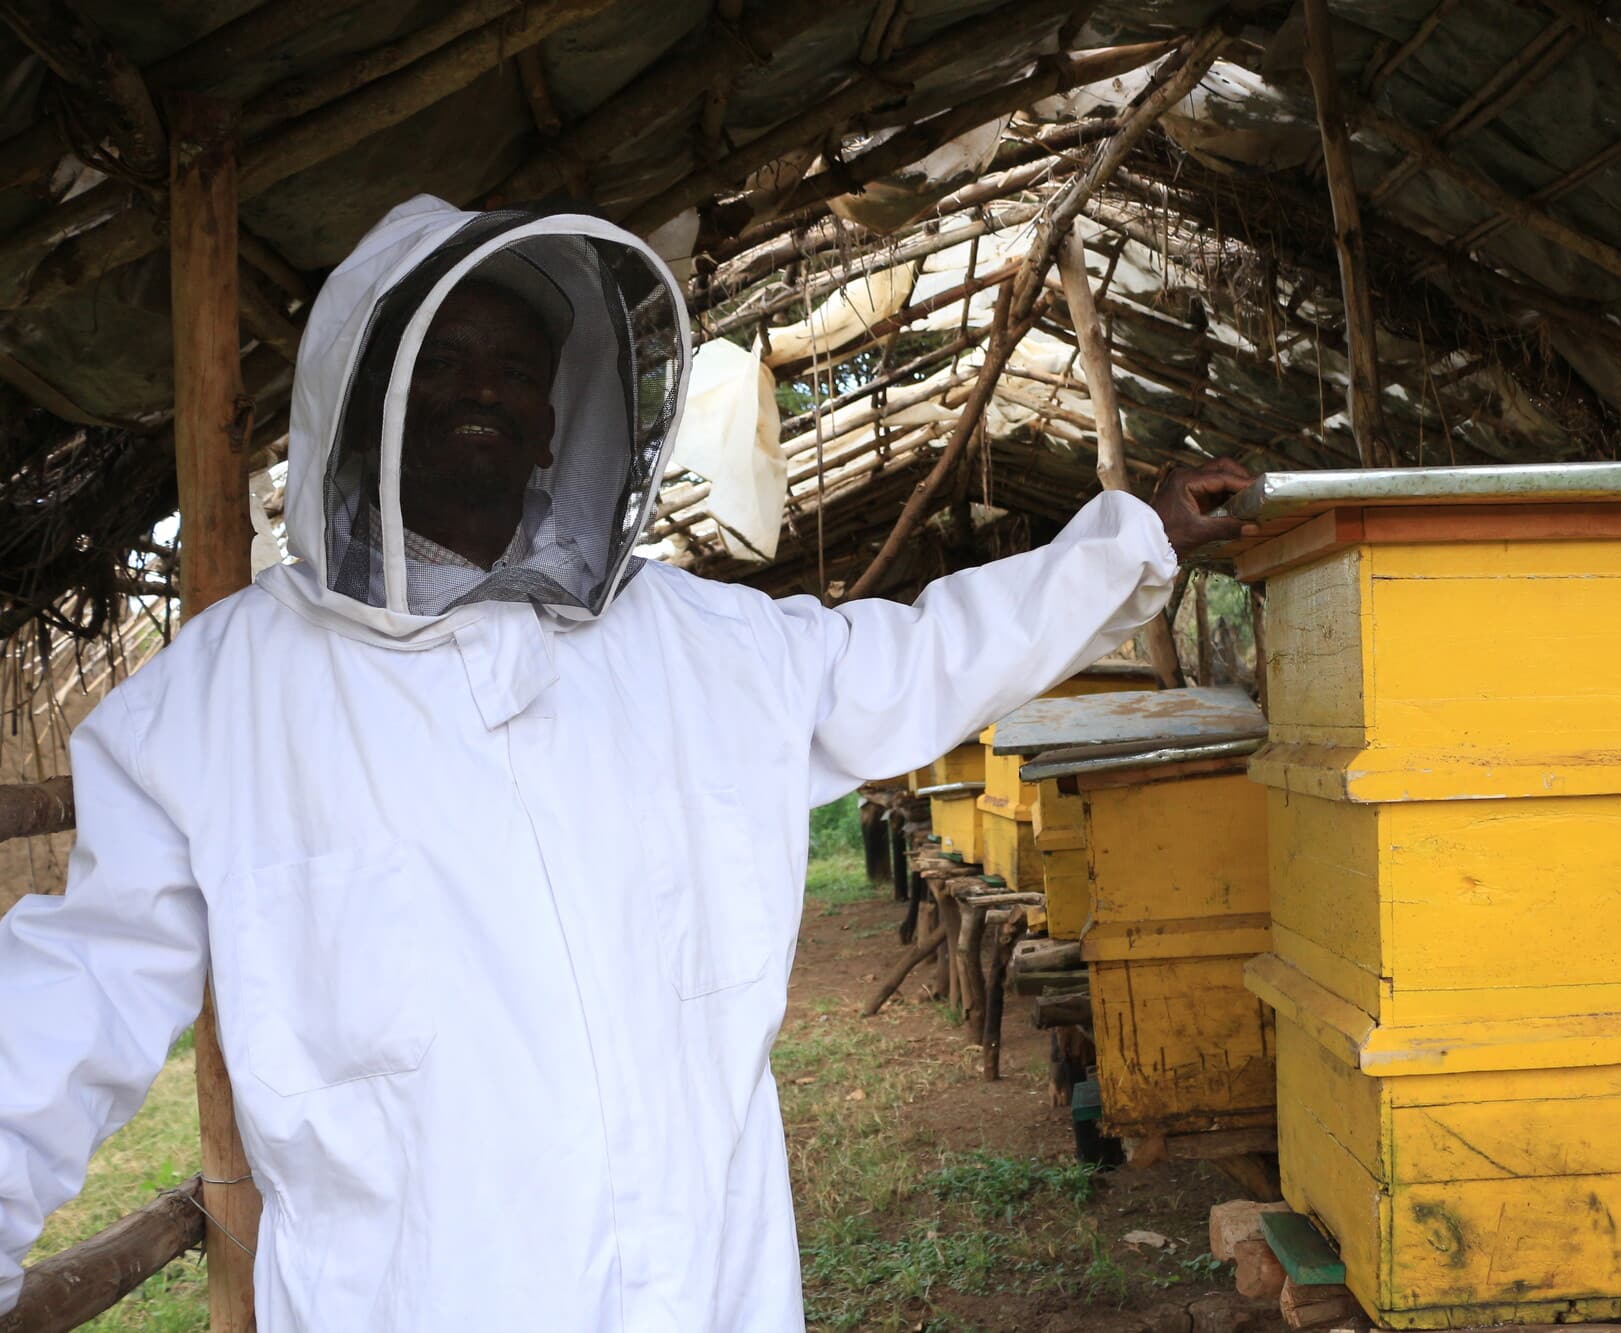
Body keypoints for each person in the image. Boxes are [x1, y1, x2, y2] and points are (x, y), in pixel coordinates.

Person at [0, 196, 1253, 1331]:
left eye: (515, 367)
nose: (481, 390)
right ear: (366, 391)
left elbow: (923, 656)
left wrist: (1128, 539)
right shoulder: (220, 702)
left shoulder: (694, 643)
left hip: (709, 1286)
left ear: (561, 417)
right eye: (442, 361)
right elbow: (77, 991)